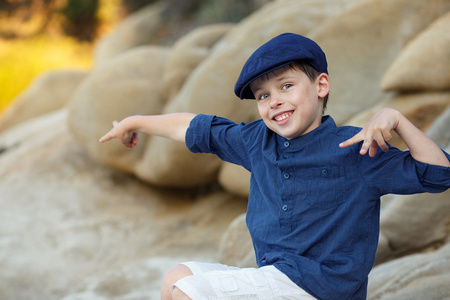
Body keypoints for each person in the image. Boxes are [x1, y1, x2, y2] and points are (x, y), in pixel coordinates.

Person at [99, 33, 450, 300]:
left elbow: (439, 174)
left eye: (286, 86)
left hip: (321, 289)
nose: (274, 101)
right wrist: (137, 121)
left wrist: (397, 119)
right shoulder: (257, 142)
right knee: (175, 276)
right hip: (277, 279)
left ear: (321, 86)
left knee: (188, 292)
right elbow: (194, 126)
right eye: (264, 95)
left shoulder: (355, 149)